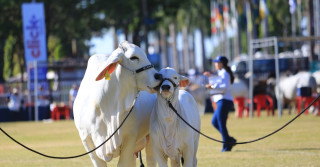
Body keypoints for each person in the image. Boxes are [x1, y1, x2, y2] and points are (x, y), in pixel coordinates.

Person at [203, 55, 237, 152]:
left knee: (221, 124)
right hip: (221, 101)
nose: (215, 64)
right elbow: (218, 82)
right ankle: (229, 140)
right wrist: (210, 78)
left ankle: (227, 146)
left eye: (217, 62)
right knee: (215, 122)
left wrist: (212, 86)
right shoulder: (222, 72)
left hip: (225, 101)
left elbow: (224, 87)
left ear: (222, 64)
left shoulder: (225, 73)